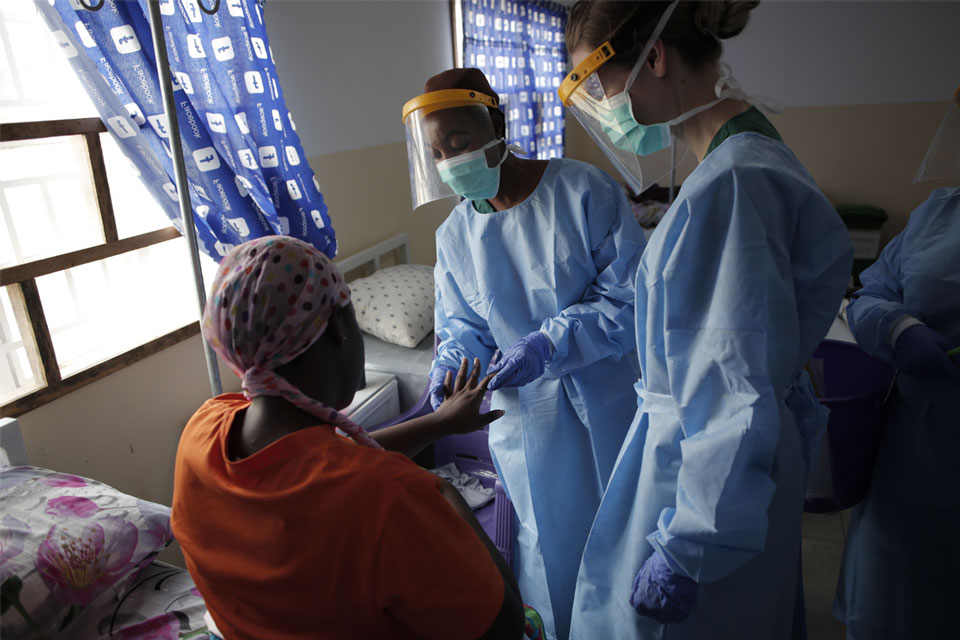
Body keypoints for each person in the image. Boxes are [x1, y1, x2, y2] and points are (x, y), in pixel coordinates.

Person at [559, 2, 853, 638]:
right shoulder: (740, 152)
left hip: (703, 486)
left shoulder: (735, 182)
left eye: (597, 86)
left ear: (655, 57)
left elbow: (732, 385)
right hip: (712, 468)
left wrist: (691, 546)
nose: (601, 110)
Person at [171, 236, 529, 640]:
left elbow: (323, 470)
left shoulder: (204, 428)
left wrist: (438, 423)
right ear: (341, 328)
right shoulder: (391, 499)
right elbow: (505, 627)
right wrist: (445, 497)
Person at [401, 68, 647, 640]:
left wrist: (548, 343)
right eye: (437, 154)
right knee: (545, 544)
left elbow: (627, 297)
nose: (451, 162)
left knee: (614, 536)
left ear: (497, 124)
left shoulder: (583, 190)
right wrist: (450, 367)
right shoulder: (455, 234)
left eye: (459, 144)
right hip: (525, 422)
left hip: (604, 403)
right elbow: (461, 324)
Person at [833, 89, 960, 639]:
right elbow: (873, 290)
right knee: (894, 599)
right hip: (918, 449)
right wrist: (900, 327)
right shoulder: (940, 212)